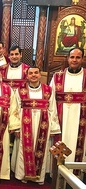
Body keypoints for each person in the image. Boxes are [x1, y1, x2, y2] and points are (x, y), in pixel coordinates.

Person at [12, 66, 60, 185]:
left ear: (40, 75)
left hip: (43, 125)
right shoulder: (20, 90)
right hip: (24, 125)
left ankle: (39, 177)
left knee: (41, 149)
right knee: (24, 149)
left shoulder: (48, 90)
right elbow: (15, 110)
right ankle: (23, 175)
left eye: (36, 73)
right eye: (31, 73)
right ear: (27, 76)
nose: (33, 75)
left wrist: (53, 128)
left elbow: (53, 109)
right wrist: (16, 127)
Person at [50, 47, 86, 177]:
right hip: (60, 119)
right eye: (72, 57)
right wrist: (53, 120)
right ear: (67, 58)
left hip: (80, 121)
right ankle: (56, 174)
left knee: (77, 145)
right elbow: (51, 99)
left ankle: (75, 175)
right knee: (59, 143)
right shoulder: (57, 77)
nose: (74, 60)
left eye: (78, 57)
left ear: (82, 59)